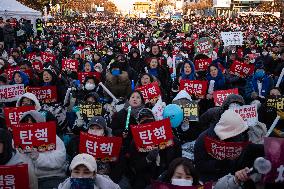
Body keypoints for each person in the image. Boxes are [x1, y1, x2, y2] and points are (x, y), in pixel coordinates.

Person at [19, 110, 67, 189]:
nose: (30, 124)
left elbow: (59, 160)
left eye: (33, 121)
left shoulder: (53, 137)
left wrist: (38, 157)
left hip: (51, 177)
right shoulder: (17, 140)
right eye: (26, 121)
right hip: (27, 180)